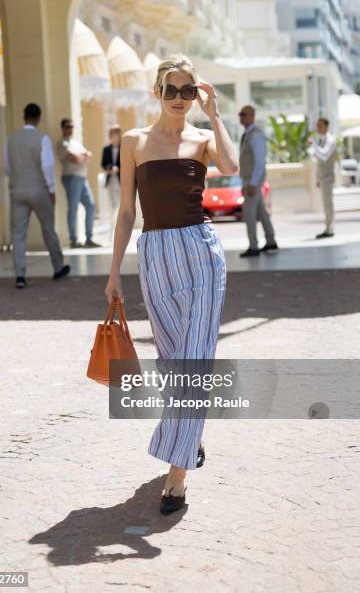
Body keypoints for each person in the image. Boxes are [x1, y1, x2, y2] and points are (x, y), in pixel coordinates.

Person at [104, 54, 239, 514]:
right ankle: (191, 438)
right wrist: (113, 272)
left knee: (196, 357)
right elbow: (126, 213)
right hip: (156, 255)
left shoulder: (203, 139)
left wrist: (215, 114)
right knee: (172, 362)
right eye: (172, 91)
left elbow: (232, 164)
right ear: (156, 93)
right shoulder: (134, 141)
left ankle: (176, 477)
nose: (180, 99)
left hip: (201, 253)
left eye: (188, 91)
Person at [4, 103, 70, 289]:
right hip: (39, 190)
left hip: (17, 190)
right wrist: (51, 190)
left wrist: (18, 180)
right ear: (38, 118)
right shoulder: (42, 139)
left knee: (18, 234)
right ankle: (58, 268)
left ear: (24, 117)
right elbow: (47, 166)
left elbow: (7, 167)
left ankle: (20, 275)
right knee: (48, 229)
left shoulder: (11, 140)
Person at [238, 105, 278, 257]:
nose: (241, 117)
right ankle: (271, 241)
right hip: (248, 179)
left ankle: (253, 246)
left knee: (249, 212)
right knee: (261, 211)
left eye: (244, 114)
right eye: (240, 114)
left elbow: (260, 161)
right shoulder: (247, 134)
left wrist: (253, 183)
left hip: (253, 179)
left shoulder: (256, 134)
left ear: (252, 116)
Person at [57, 119, 101, 249]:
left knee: (91, 206)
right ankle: (73, 240)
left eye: (72, 126)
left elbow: (89, 155)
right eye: (67, 127)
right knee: (73, 208)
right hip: (72, 178)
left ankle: (89, 238)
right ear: (63, 128)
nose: (70, 129)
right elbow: (75, 158)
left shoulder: (75, 142)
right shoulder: (63, 143)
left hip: (82, 178)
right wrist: (83, 156)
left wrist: (83, 155)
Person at [310, 117, 336, 238]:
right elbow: (319, 161)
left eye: (320, 125)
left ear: (326, 126)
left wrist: (313, 145)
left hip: (328, 177)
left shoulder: (330, 140)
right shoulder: (321, 140)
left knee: (328, 204)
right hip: (323, 177)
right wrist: (317, 178)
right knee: (326, 204)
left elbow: (324, 156)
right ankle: (328, 228)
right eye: (317, 125)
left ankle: (330, 229)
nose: (318, 128)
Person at [101, 124, 122, 243]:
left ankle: (121, 233)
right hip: (111, 181)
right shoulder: (106, 149)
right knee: (114, 207)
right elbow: (103, 163)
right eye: (113, 133)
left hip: (121, 180)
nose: (114, 136)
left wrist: (118, 168)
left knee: (122, 207)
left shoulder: (124, 147)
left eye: (116, 133)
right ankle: (111, 233)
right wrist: (109, 168)